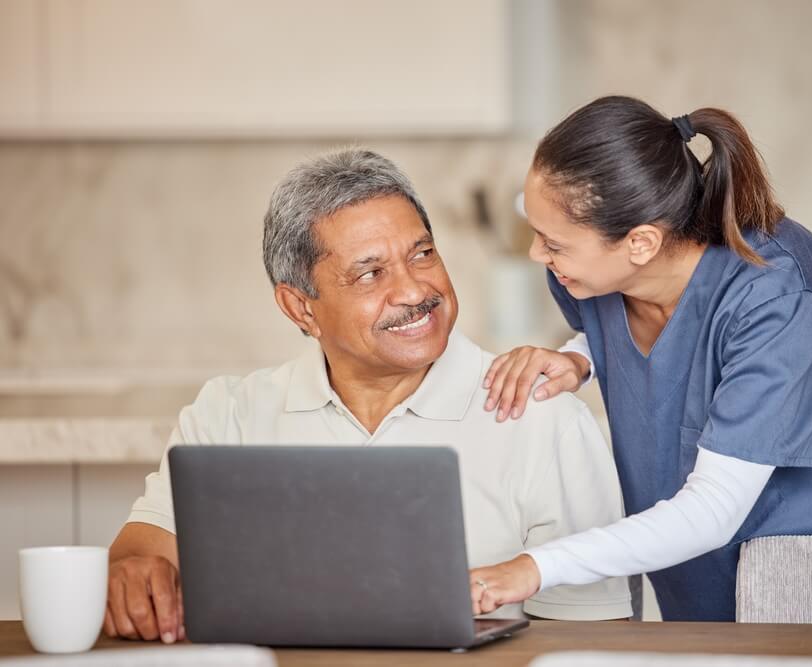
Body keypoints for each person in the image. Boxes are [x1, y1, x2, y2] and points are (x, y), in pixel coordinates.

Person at [103, 149, 632, 643]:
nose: (414, 290)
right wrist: (134, 573)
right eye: (370, 273)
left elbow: (589, 637)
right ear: (299, 308)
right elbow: (144, 549)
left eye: (422, 254)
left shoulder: (541, 416)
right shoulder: (229, 415)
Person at [469, 96, 812, 621]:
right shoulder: (593, 273)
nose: (537, 255)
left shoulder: (778, 295)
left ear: (640, 242)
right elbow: (647, 347)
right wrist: (577, 358)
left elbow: (713, 508)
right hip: (705, 565)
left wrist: (530, 569)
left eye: (552, 242)